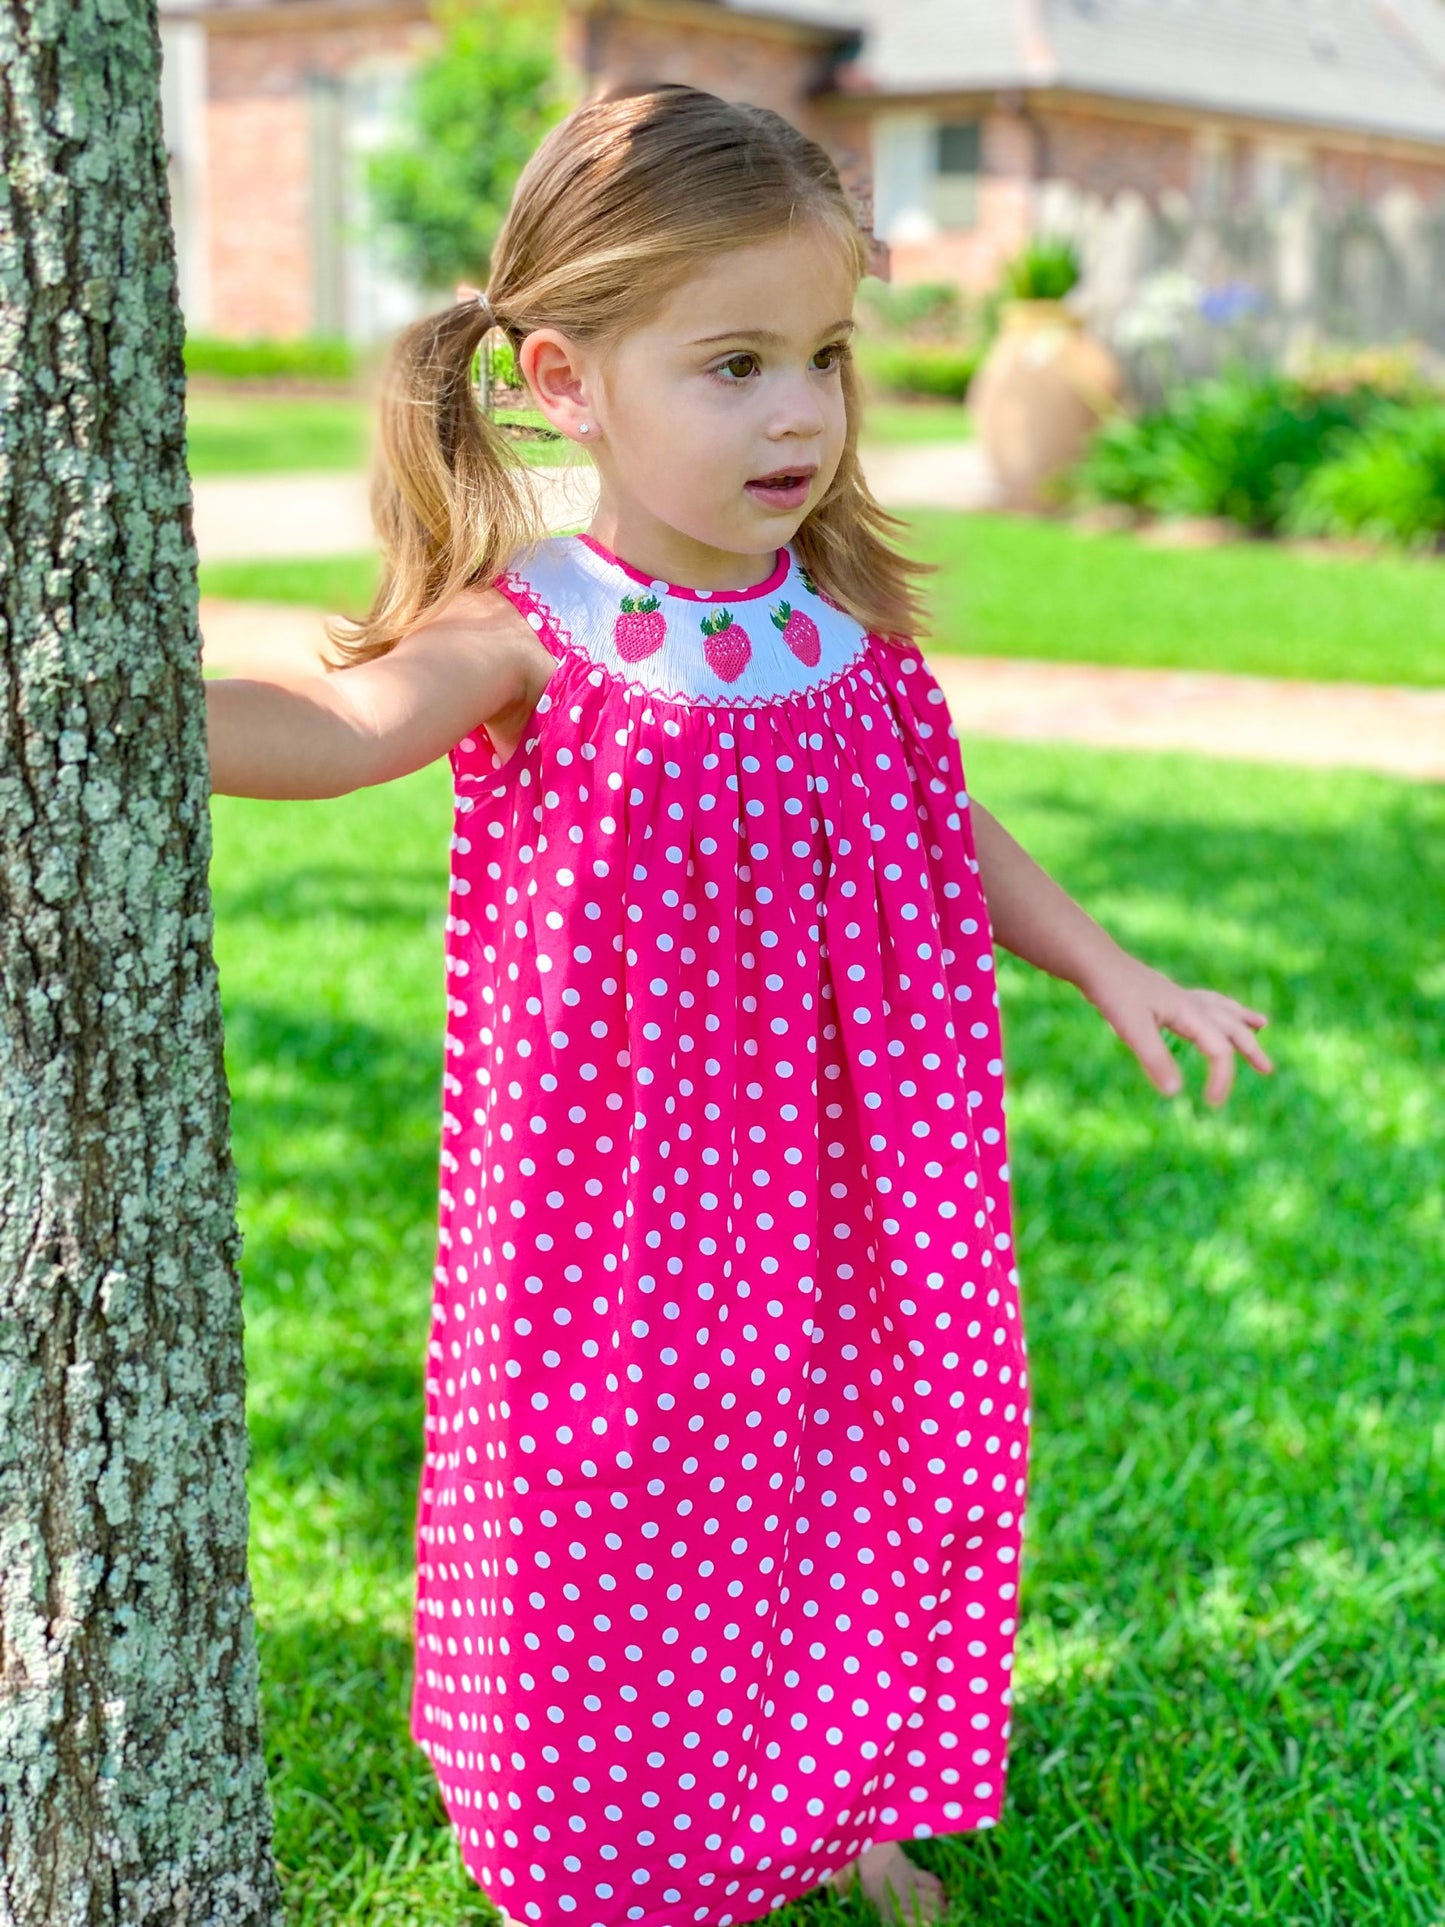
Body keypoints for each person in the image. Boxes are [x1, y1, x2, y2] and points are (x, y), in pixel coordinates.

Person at [206, 81, 1273, 1927]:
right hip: (621, 1212)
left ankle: (834, 1799)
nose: (799, 411)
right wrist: (88, 682)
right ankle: (604, 1841)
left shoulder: (838, 633)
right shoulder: (535, 622)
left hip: (854, 1193)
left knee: (853, 1479)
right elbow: (338, 728)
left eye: (827, 356)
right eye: (733, 365)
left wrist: (1110, 963)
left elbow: (944, 831)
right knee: (613, 1529)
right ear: (563, 377)